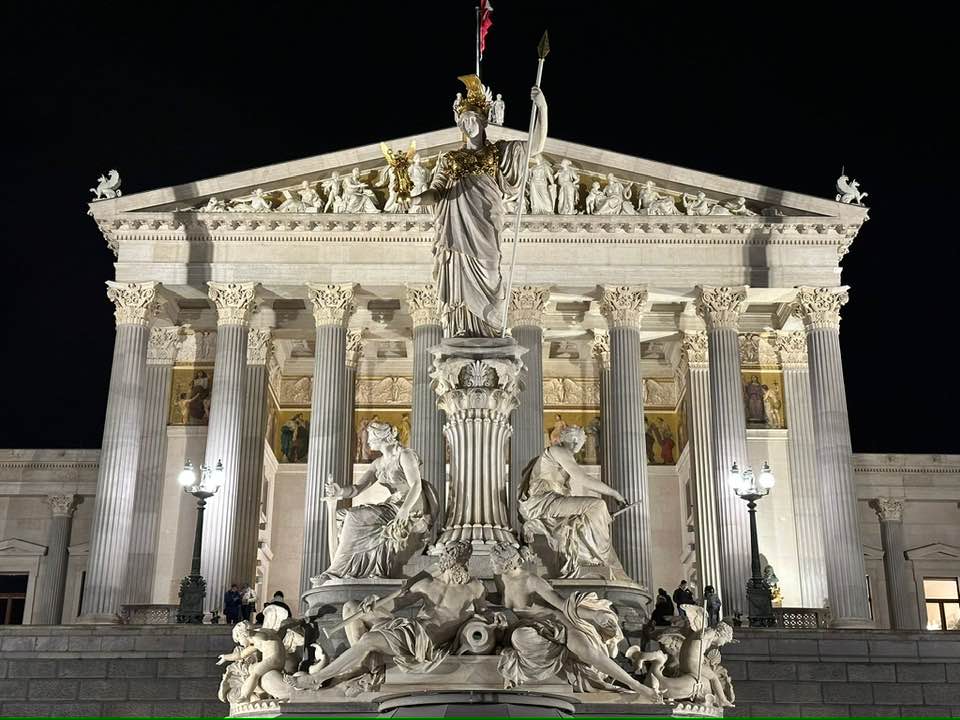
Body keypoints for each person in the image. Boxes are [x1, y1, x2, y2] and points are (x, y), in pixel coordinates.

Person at [412, 74, 548, 337]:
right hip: (457, 231)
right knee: (459, 275)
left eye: (473, 119)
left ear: (484, 121)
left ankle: (490, 331)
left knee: (491, 271)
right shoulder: (450, 159)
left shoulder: (498, 152)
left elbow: (535, 146)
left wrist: (542, 107)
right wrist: (417, 198)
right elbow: (436, 192)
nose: (468, 124)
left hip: (486, 225)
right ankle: (462, 327)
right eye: (464, 121)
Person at [301, 541, 485, 689]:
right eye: (453, 561)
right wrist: (375, 601)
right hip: (409, 628)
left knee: (368, 639)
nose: (459, 569)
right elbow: (397, 604)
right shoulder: (428, 583)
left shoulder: (475, 588)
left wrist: (491, 621)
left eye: (461, 563)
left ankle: (317, 678)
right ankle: (364, 664)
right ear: (445, 561)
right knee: (352, 607)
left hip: (424, 641)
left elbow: (485, 615)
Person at [491, 542, 658, 698]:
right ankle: (562, 656)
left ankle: (636, 685)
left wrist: (594, 615)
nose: (491, 564)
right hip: (529, 629)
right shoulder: (501, 579)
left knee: (587, 651)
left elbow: (563, 605)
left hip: (557, 624)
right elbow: (499, 606)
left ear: (507, 563)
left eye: (494, 561)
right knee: (519, 636)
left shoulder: (532, 581)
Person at [316, 421, 437, 582]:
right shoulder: (378, 463)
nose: (367, 440)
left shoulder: (405, 455)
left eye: (371, 436)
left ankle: (336, 571)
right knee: (342, 516)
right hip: (392, 504)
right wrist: (340, 492)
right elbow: (357, 489)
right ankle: (351, 569)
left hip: (410, 505)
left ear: (382, 436)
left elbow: (416, 485)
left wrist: (404, 510)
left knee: (354, 517)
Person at [519, 425, 630, 579]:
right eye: (583, 442)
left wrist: (602, 518)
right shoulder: (559, 450)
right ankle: (606, 561)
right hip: (543, 502)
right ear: (576, 440)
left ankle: (603, 564)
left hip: (552, 501)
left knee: (594, 513)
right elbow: (583, 479)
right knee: (598, 505)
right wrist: (614, 493)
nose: (582, 446)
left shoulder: (559, 453)